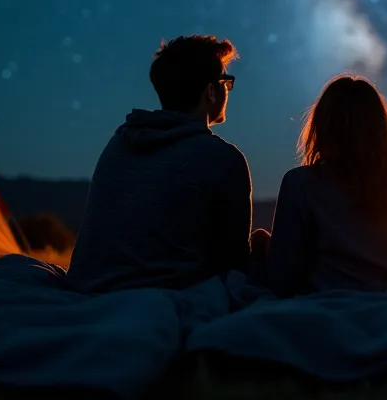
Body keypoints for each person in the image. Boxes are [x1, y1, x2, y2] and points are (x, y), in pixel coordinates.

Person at [66, 34, 262, 293]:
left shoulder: (120, 141)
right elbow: (233, 262)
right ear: (211, 92)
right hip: (170, 294)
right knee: (262, 243)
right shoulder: (224, 158)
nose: (228, 89)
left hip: (90, 288)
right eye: (226, 82)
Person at [264, 74, 387, 297]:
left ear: (322, 129)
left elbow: (282, 280)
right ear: (381, 132)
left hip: (343, 308)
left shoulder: (301, 185)